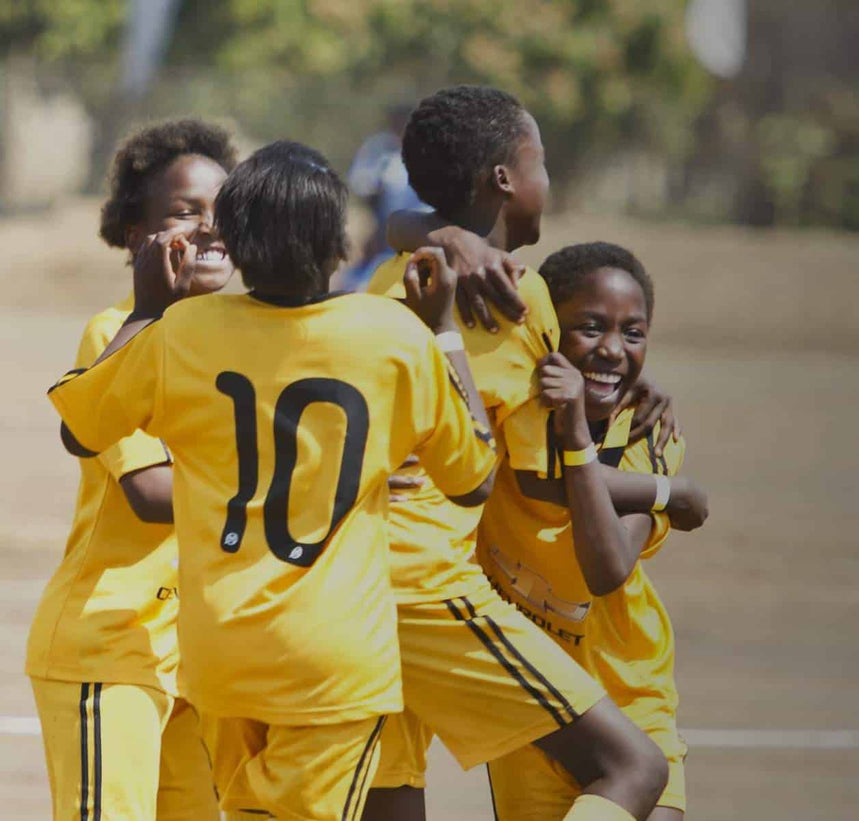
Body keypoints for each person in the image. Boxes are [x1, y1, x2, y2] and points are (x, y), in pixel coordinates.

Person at [47, 140, 498, 821]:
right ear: (338, 244)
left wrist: (146, 309)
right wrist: (443, 335)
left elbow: (80, 427)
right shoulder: (390, 334)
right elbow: (472, 481)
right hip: (332, 661)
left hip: (219, 654)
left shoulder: (184, 331)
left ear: (238, 240)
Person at [359, 85, 706, 821]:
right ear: (505, 180)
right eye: (539, 160)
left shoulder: (387, 285)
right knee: (632, 767)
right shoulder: (518, 300)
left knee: (391, 794)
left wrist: (438, 232)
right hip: (427, 583)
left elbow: (404, 226)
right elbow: (546, 480)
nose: (551, 179)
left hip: (345, 587)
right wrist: (667, 489)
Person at [28, 118, 236, 821]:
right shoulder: (121, 329)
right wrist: (291, 488)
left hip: (202, 656)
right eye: (185, 213)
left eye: (223, 211)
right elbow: (150, 492)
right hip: (111, 643)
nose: (210, 229)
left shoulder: (241, 338)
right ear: (132, 234)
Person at [483, 241, 693, 821]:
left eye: (633, 333)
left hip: (632, 695)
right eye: (589, 328)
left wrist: (578, 434)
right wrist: (676, 498)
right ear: (549, 332)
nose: (612, 351)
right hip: (532, 706)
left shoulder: (648, 433)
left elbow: (606, 568)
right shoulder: (506, 418)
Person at [339, 104, 428, 291]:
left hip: (422, 241)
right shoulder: (379, 148)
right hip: (385, 239)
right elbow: (363, 187)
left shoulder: (430, 152)